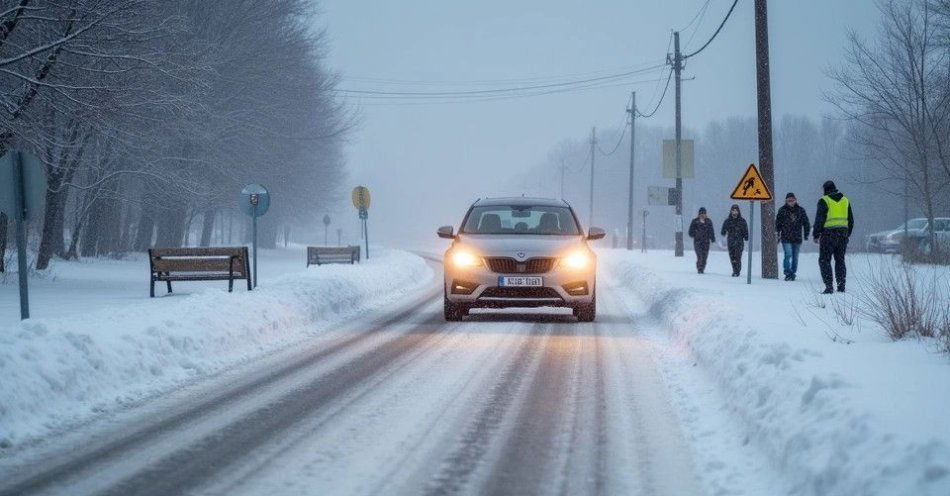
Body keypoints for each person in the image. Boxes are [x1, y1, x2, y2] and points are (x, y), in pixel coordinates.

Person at [813, 180, 854, 294]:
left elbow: (819, 219)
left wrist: (816, 234)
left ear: (825, 190)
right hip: (842, 235)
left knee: (824, 260)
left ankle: (829, 286)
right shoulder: (845, 200)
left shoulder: (824, 201)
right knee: (840, 260)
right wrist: (847, 234)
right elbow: (850, 219)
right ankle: (841, 286)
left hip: (828, 235)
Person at [775, 192, 811, 281]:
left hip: (797, 238)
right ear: (786, 201)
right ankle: (787, 272)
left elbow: (806, 223)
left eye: (792, 200)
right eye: (789, 200)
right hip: (785, 237)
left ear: (795, 200)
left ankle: (792, 273)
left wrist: (806, 234)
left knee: (795, 257)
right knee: (788, 254)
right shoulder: (782, 210)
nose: (791, 202)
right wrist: (778, 234)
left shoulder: (800, 210)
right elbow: (778, 223)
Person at [720, 204, 749, 277]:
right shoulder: (728, 221)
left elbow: (745, 230)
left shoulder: (742, 221)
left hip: (739, 242)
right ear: (731, 211)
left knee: (738, 256)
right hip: (731, 241)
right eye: (733, 210)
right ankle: (734, 270)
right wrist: (724, 231)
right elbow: (723, 231)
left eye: (736, 210)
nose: (735, 212)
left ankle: (737, 271)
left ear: (738, 211)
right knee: (732, 257)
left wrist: (746, 237)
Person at [688, 207, 715, 274]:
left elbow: (711, 231)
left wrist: (712, 238)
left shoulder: (708, 221)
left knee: (705, 256)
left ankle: (702, 267)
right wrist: (696, 234)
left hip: (706, 242)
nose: (702, 215)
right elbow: (690, 232)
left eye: (704, 213)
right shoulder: (695, 221)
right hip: (697, 242)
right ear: (699, 214)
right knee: (700, 255)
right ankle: (699, 268)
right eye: (701, 213)